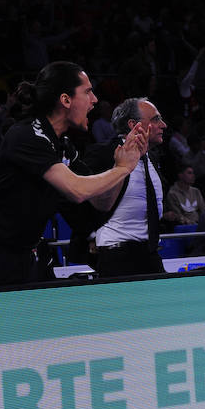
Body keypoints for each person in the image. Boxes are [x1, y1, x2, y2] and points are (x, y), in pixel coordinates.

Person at [0, 61, 146, 291]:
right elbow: (78, 190)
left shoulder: (63, 146)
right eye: (88, 92)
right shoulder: (26, 135)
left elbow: (100, 203)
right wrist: (121, 169)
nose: (94, 100)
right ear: (65, 100)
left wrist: (123, 166)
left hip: (25, 254)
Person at [84, 97, 168, 278]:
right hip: (117, 256)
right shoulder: (103, 153)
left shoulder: (152, 158)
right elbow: (88, 201)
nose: (163, 125)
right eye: (155, 119)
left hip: (150, 253)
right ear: (133, 125)